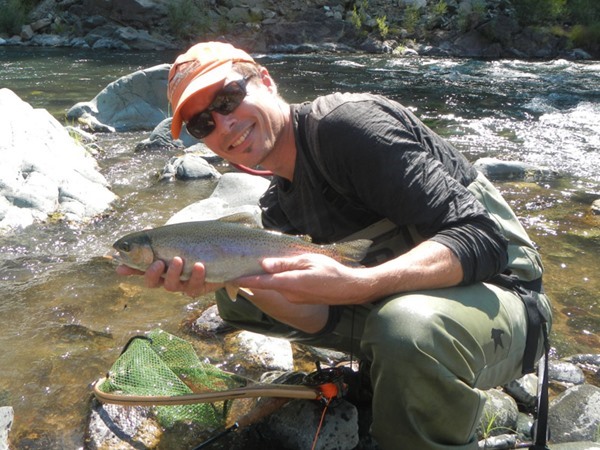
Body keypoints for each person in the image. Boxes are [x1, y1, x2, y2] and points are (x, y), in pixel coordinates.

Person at [117, 41, 552, 450]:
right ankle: (406, 376)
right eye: (202, 123)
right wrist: (231, 275)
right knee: (240, 303)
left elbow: (483, 238)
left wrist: (360, 285)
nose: (224, 123)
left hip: (507, 296)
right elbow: (317, 318)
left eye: (228, 99)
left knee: (405, 328)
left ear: (265, 81)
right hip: (421, 299)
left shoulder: (348, 128)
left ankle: (434, 395)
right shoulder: (279, 206)